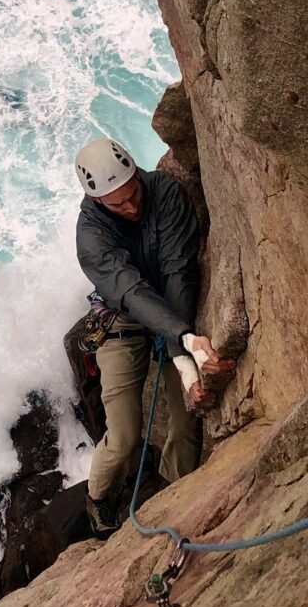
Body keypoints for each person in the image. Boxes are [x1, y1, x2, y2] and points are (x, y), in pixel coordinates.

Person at [74, 136, 235, 538]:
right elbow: (127, 290)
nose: (132, 207)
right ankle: (98, 498)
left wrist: (182, 349)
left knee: (188, 416)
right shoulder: (90, 235)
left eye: (133, 194)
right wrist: (185, 344)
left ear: (137, 175)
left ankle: (180, 497)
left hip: (172, 310)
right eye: (118, 205)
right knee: (125, 435)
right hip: (121, 320)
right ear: (97, 203)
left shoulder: (164, 192)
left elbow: (179, 270)